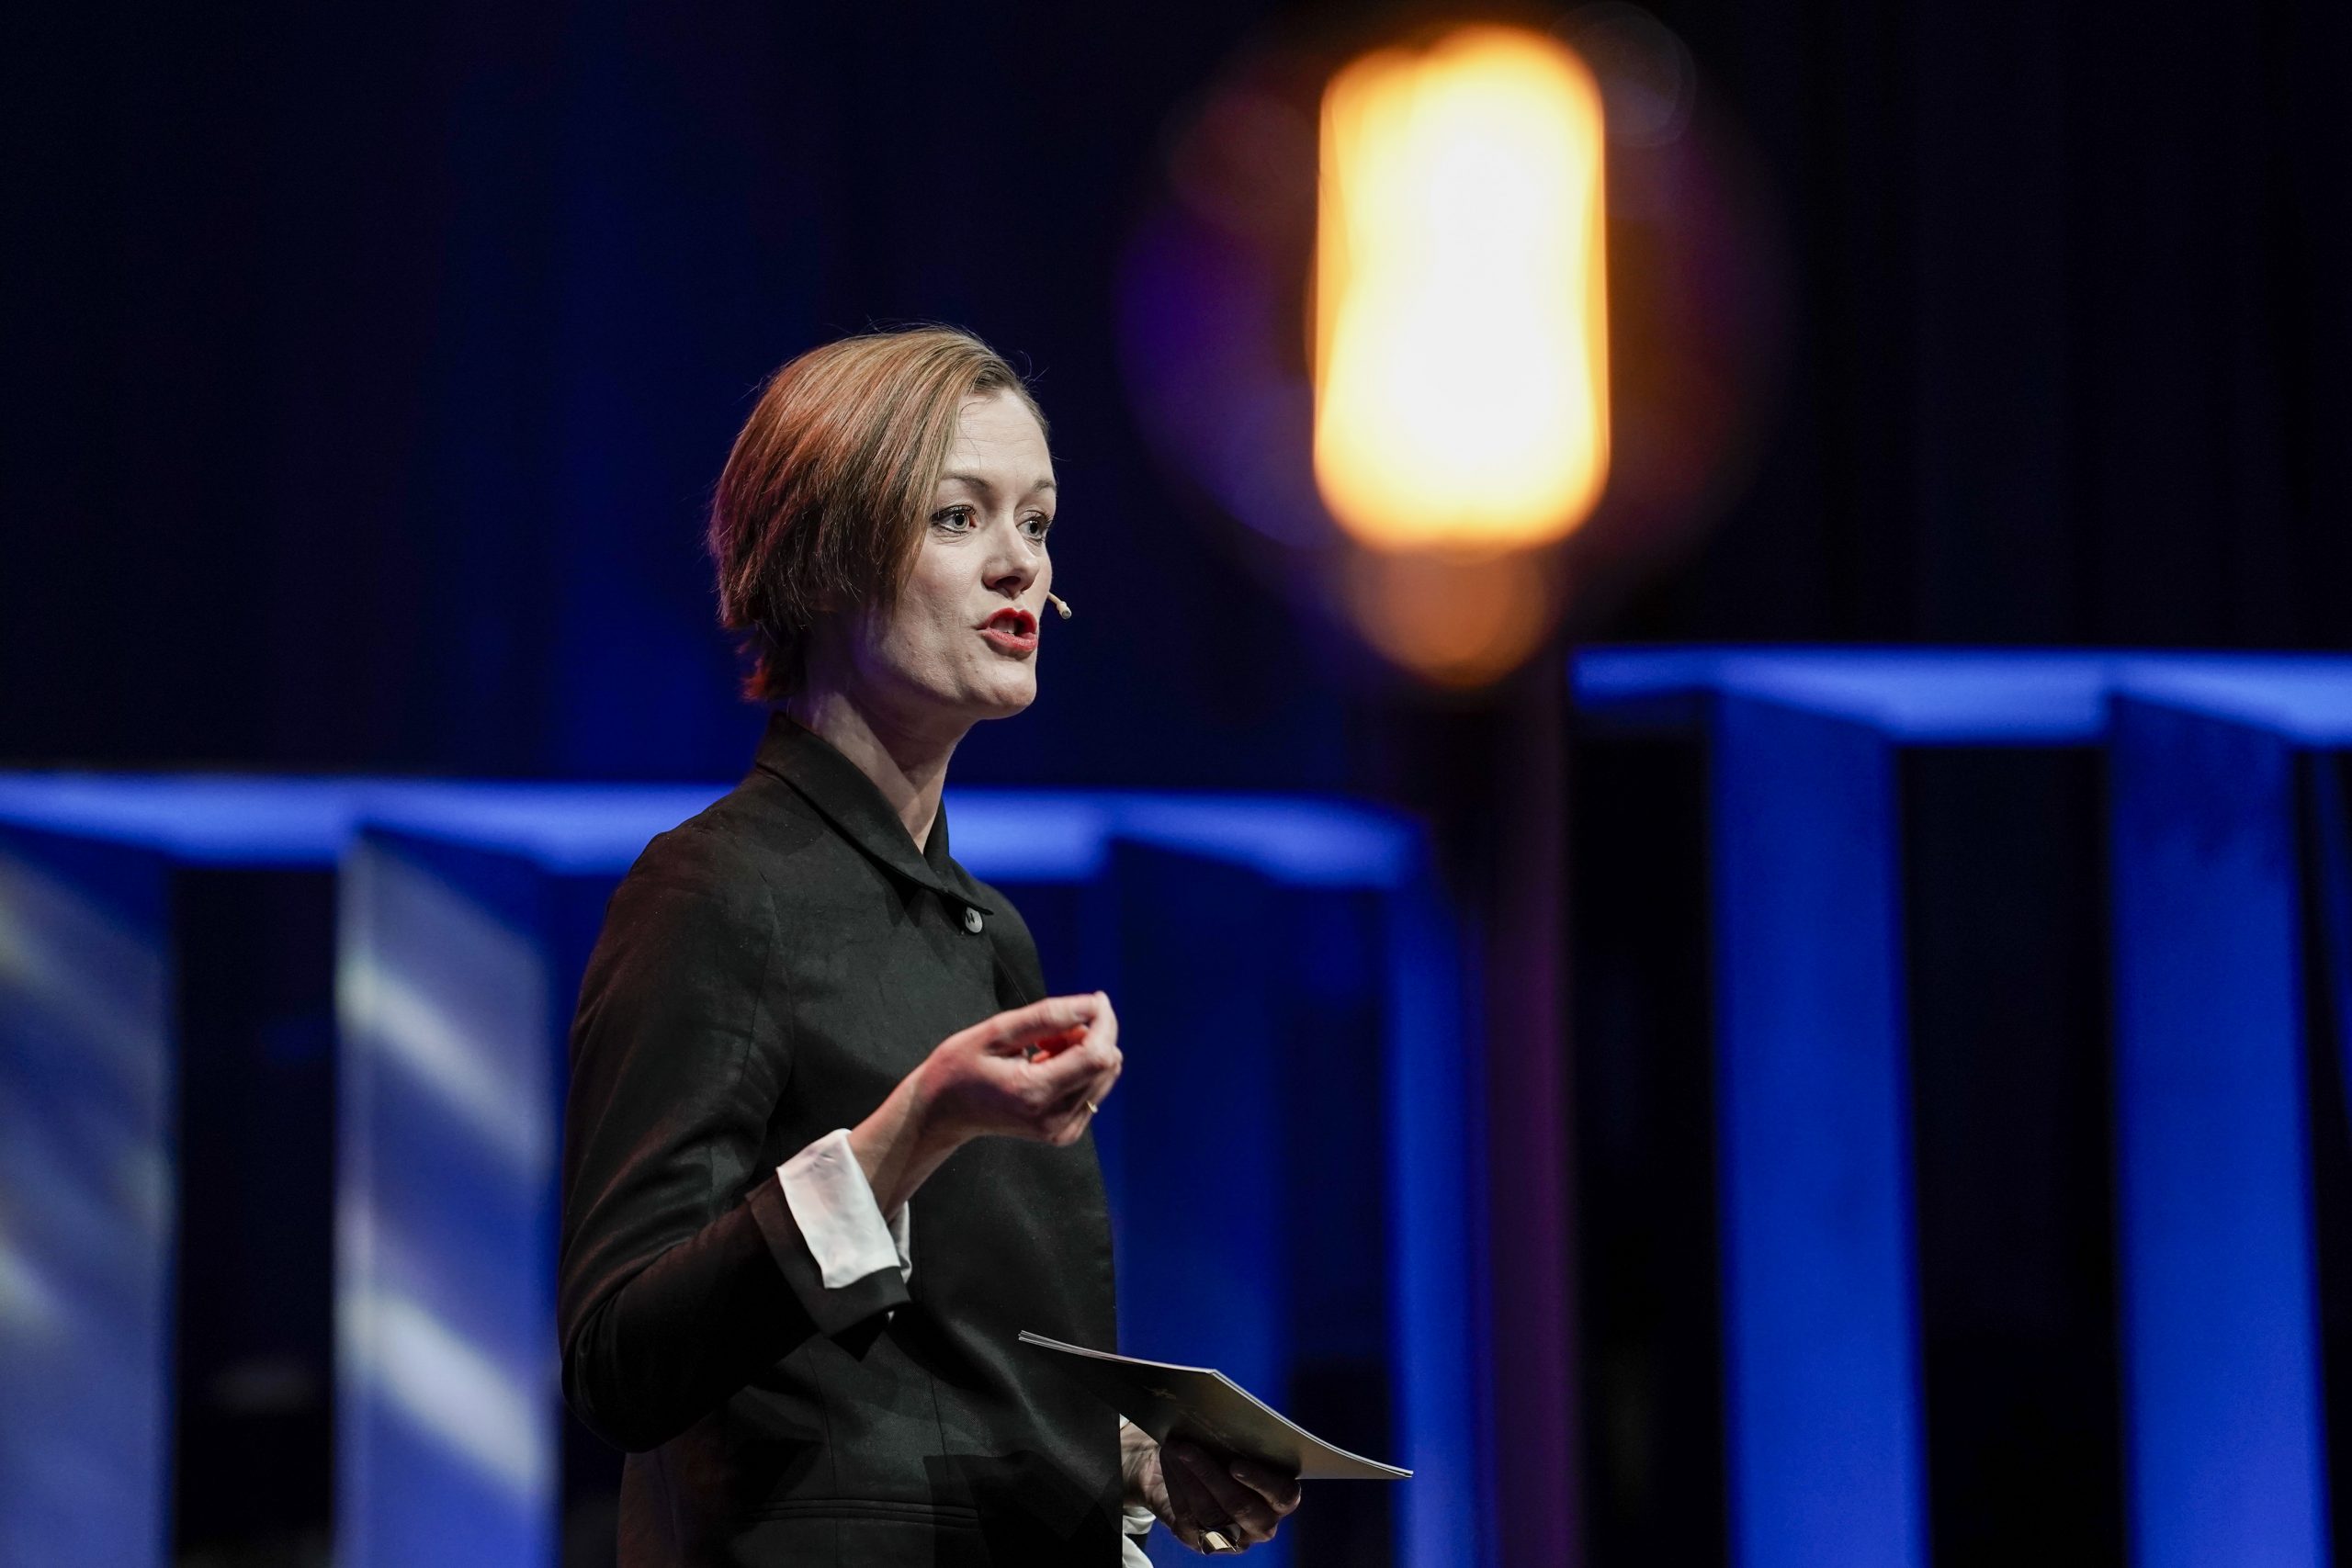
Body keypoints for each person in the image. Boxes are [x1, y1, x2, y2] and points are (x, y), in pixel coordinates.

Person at [556, 325, 1303, 1565]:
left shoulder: (990, 934)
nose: (1020, 564)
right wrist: (907, 1135)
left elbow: (942, 1374)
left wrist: (1125, 1459)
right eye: (959, 517)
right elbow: (619, 1358)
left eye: (1038, 522)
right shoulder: (718, 890)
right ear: (823, 556)